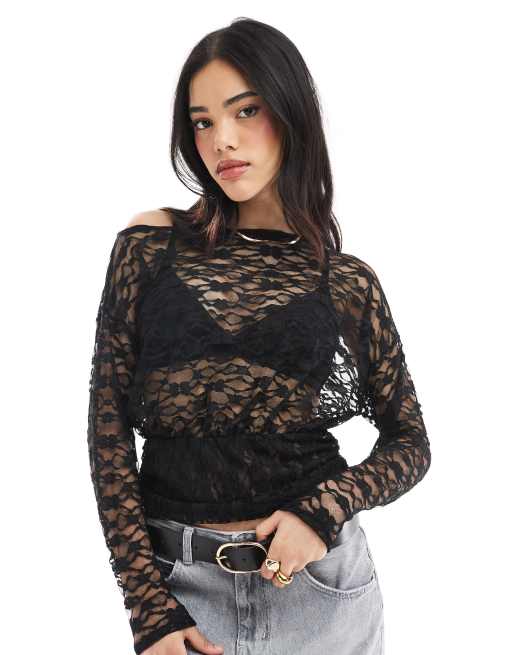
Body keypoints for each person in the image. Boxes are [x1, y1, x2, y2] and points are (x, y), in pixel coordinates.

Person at [87, 17, 431, 655]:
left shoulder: (347, 281)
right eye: (203, 122)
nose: (222, 140)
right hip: (181, 590)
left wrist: (322, 511)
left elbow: (411, 443)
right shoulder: (151, 244)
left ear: (291, 112)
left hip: (320, 589)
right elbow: (107, 432)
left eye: (246, 111)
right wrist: (149, 608)